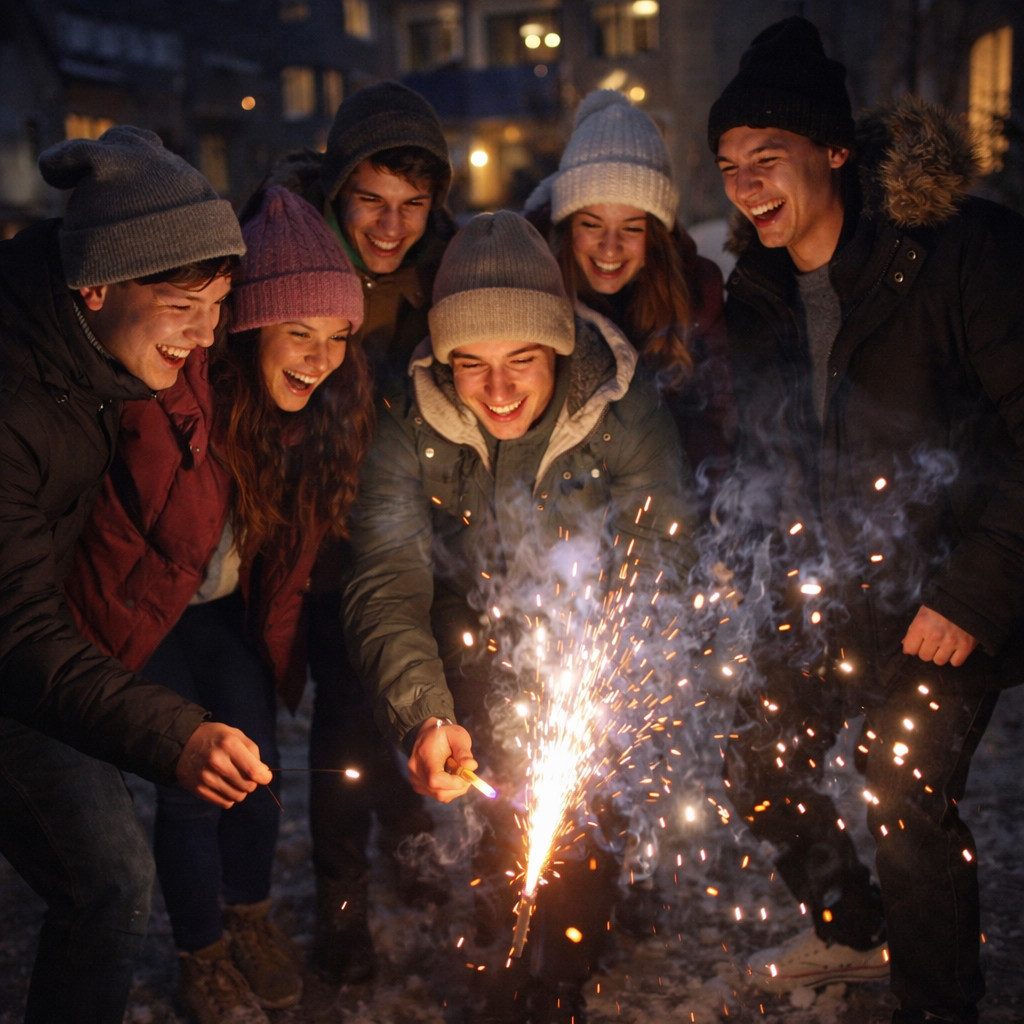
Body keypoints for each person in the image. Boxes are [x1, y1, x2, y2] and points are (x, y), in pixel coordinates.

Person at [708, 17, 1024, 1024]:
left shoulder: (957, 255)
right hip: (838, 589)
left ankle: (937, 1003)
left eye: (768, 158)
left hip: (955, 579)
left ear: (834, 152)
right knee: (751, 753)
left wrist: (970, 590)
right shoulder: (754, 290)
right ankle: (853, 931)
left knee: (899, 775)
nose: (745, 184)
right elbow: (757, 454)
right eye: (727, 165)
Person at [342, 210, 698, 1023]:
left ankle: (563, 975)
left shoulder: (621, 403)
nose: (497, 390)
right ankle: (504, 938)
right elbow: (388, 579)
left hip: (592, 633)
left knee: (581, 798)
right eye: (472, 364)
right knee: (501, 793)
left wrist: (605, 676)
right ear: (443, 358)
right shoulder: (409, 419)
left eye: (522, 361)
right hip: (474, 623)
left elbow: (660, 549)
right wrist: (423, 715)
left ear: (560, 351)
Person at [64, 185, 373, 1023]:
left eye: (337, 337)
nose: (319, 357)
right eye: (297, 333)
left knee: (256, 761)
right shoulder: (178, 396)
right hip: (147, 612)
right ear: (250, 327)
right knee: (189, 779)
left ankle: (250, 915)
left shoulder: (321, 417)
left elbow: (287, 555)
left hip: (224, 613)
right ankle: (200, 950)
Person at [0, 126, 270, 1024]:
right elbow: (18, 630)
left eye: (218, 306)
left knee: (109, 877)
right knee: (109, 872)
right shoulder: (15, 398)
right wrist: (174, 735)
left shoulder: (90, 355)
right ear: (100, 284)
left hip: (29, 652)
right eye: (183, 308)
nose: (203, 339)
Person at [260, 80, 458, 983]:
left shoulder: (442, 268)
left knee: (413, 697)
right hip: (322, 531)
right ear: (340, 188)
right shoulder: (289, 250)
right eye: (372, 201)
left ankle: (413, 853)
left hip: (416, 522)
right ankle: (341, 913)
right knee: (343, 722)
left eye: (412, 205)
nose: (391, 224)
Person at [524, 89, 735, 519]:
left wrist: (709, 518)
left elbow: (716, 424)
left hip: (668, 514)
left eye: (632, 228)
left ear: (656, 234)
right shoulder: (530, 289)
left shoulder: (697, 296)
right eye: (591, 224)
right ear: (567, 227)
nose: (609, 247)